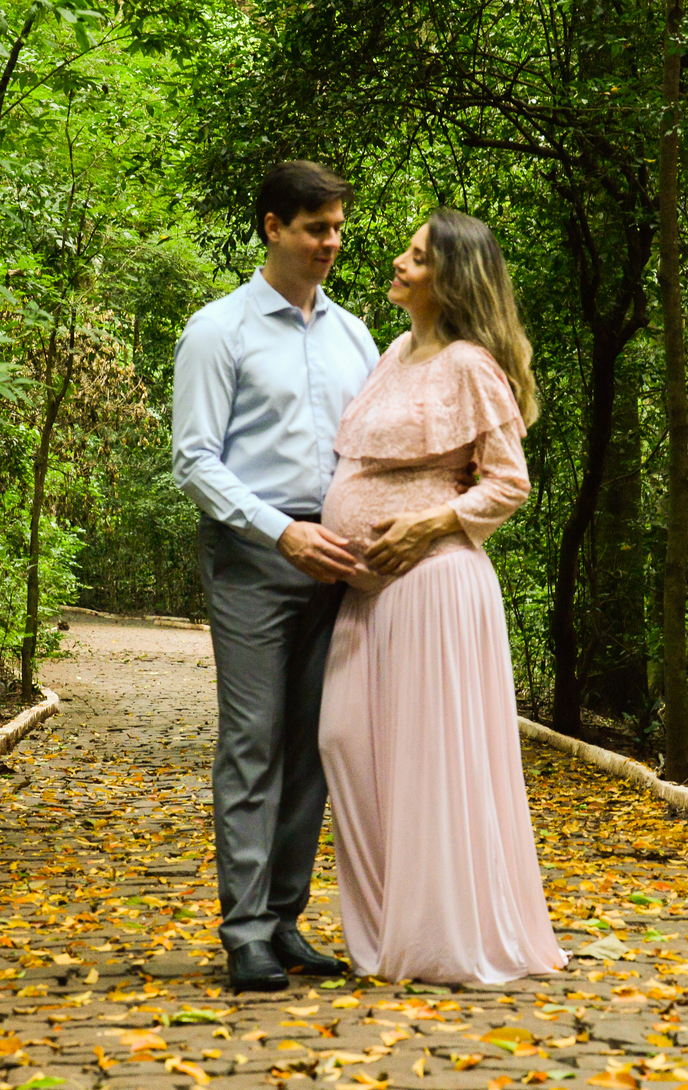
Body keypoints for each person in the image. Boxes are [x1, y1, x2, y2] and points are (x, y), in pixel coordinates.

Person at [318, 209, 565, 986]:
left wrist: (428, 524)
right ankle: (387, 930)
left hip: (433, 584)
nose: (399, 261)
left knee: (427, 764)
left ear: (450, 279)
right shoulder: (394, 352)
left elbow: (509, 483)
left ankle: (438, 940)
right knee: (344, 741)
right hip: (367, 592)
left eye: (417, 257)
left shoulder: (470, 365)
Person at [172, 161, 378, 993]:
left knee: (316, 743)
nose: (330, 244)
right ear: (271, 227)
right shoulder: (218, 330)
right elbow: (194, 461)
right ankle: (245, 932)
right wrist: (279, 531)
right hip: (255, 552)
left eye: (336, 229)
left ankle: (286, 920)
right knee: (254, 742)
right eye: (314, 229)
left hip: (342, 556)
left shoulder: (355, 334)